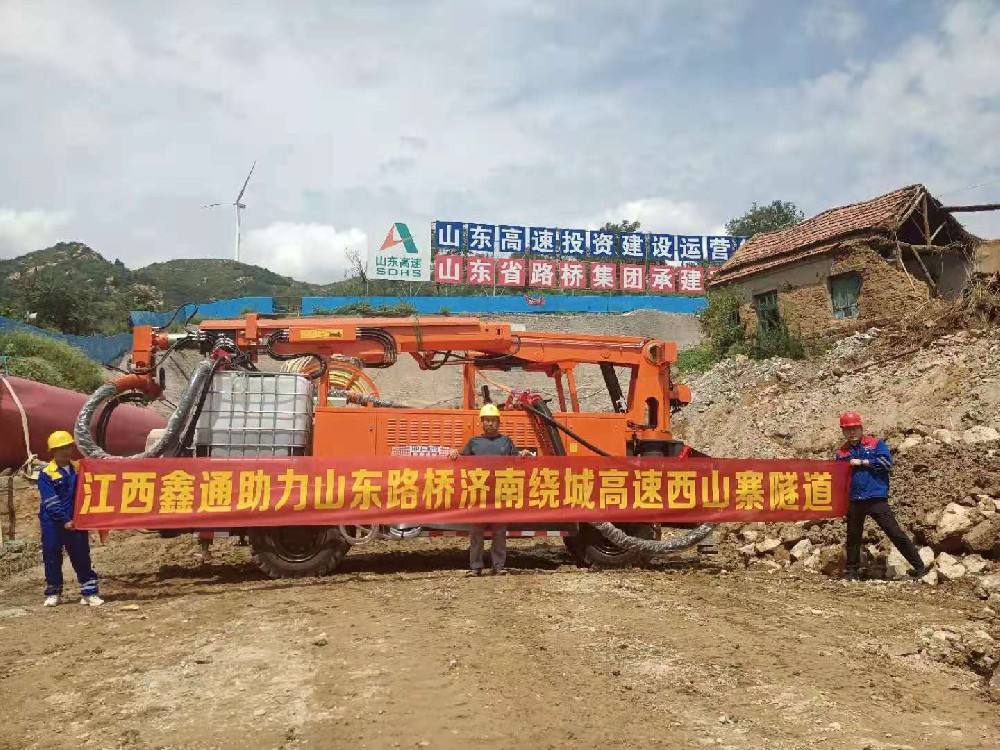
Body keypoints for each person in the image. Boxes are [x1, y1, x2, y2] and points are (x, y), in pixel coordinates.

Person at [835, 412, 927, 581]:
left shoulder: (876, 444)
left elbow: (887, 463)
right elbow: (840, 479)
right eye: (847, 429)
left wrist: (863, 462)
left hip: (875, 497)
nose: (852, 432)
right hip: (855, 500)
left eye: (855, 428)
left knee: (895, 533)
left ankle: (920, 567)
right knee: (853, 538)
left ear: (861, 428)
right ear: (843, 431)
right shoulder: (842, 453)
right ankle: (851, 572)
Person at [450, 404, 532, 576]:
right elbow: (462, 460)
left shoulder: (506, 441)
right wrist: (454, 454)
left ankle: (499, 566)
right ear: (481, 422)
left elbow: (516, 460)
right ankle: (475, 567)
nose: (490, 423)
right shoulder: (474, 442)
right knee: (476, 532)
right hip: (479, 494)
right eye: (487, 420)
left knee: (499, 532)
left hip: (499, 494)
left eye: (493, 420)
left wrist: (523, 454)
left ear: (499, 423)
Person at [37, 431, 103, 607]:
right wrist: (64, 520)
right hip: (53, 522)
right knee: (52, 555)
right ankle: (54, 592)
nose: (65, 451)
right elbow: (50, 500)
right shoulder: (46, 473)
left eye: (67, 447)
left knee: (81, 555)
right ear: (52, 451)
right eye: (60, 448)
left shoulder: (80, 468)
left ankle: (89, 592)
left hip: (77, 520)